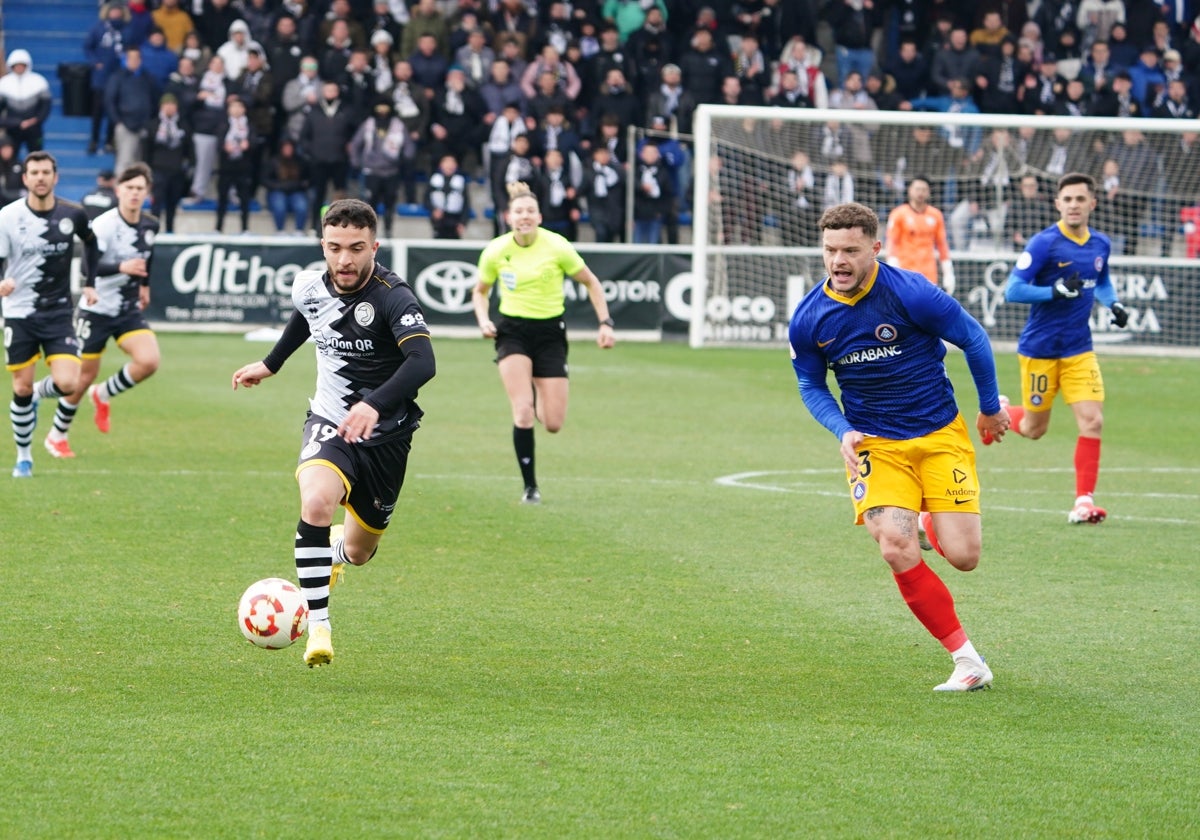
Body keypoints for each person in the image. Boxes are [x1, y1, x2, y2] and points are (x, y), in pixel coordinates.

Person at [787, 201, 1007, 692]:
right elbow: (811, 385)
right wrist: (840, 428)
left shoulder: (910, 292)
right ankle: (968, 660)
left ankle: (929, 518)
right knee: (895, 545)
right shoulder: (809, 318)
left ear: (875, 248)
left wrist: (990, 407)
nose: (838, 261)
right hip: (875, 444)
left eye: (850, 250)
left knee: (965, 556)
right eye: (829, 250)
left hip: (938, 434)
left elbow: (972, 338)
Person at [231, 199, 436, 668]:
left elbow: (423, 362)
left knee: (361, 552)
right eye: (335, 248)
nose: (345, 260)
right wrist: (270, 364)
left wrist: (373, 403)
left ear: (375, 246)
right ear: (322, 245)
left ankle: (338, 553)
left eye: (357, 248)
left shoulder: (393, 296)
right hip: (329, 421)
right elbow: (306, 318)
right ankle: (318, 624)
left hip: (387, 436)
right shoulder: (309, 284)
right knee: (317, 501)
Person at [986, 172, 1129, 525]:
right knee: (1035, 430)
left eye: (1080, 199)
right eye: (1067, 199)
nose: (1074, 205)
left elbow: (1103, 280)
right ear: (1058, 204)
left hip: (1080, 350)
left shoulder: (1101, 244)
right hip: (1040, 349)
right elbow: (1013, 291)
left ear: (1092, 203)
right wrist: (1053, 292)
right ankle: (1002, 412)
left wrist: (1113, 305)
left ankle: (1083, 502)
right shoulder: (1043, 244)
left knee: (1093, 421)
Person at [471, 181, 616, 504]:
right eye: (519, 211)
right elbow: (480, 292)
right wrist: (483, 320)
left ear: (539, 216)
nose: (524, 216)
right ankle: (530, 487)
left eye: (530, 211)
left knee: (552, 423)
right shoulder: (496, 250)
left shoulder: (558, 246)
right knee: (522, 412)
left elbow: (591, 283)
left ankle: (536, 386)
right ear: (509, 216)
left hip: (550, 333)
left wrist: (605, 323)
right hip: (512, 332)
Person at [43, 163, 160, 459]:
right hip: (95, 311)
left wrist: (144, 285)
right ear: (118, 190)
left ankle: (103, 393)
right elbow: (85, 267)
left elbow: (149, 255)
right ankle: (57, 435)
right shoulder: (105, 225)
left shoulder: (150, 224)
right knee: (81, 378)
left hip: (126, 309)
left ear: (147, 193)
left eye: (139, 189)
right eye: (129, 188)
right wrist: (122, 267)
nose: (134, 194)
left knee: (149, 361)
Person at [0, 151, 99, 478]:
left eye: (46, 172)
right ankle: (24, 457)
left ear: (55, 177)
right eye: (34, 172)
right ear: (25, 178)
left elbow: (92, 243)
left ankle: (44, 394)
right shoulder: (8, 217)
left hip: (58, 312)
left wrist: (90, 281)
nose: (40, 177)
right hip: (19, 312)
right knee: (22, 388)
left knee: (68, 382)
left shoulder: (74, 213)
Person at [885, 176, 956, 293]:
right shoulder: (898, 214)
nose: (920, 193)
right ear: (910, 190)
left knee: (928, 310)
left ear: (929, 193)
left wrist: (948, 272)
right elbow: (892, 242)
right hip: (905, 273)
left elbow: (942, 245)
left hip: (928, 274)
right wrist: (893, 268)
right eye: (917, 189)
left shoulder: (936, 215)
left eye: (924, 190)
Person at [0, 49, 52, 156]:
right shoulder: (4, 84)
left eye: (22, 65)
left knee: (37, 156)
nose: (19, 68)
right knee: (10, 157)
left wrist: (36, 120)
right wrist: (14, 123)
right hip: (13, 129)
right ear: (11, 65)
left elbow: (46, 106)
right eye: (16, 65)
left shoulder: (39, 81)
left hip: (34, 128)